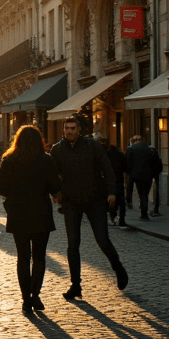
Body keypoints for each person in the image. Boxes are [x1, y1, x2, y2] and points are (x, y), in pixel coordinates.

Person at [50, 114, 129, 300]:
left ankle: (117, 267)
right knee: (72, 245)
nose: (69, 131)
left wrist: (112, 192)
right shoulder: (57, 150)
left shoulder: (92, 145)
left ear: (79, 130)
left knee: (102, 239)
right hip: (71, 202)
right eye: (66, 128)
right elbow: (51, 174)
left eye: (72, 128)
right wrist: (55, 191)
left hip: (95, 200)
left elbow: (107, 168)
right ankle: (75, 285)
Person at [0, 125, 62, 314]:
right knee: (39, 257)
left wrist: (13, 195)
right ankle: (35, 295)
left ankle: (26, 299)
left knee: (23, 257)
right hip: (40, 211)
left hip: (18, 212)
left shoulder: (9, 160)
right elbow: (55, 186)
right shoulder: (46, 160)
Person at [124, 134, 160, 220]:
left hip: (136, 175)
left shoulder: (131, 149)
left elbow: (127, 163)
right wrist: (154, 174)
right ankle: (144, 211)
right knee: (145, 193)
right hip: (148, 175)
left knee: (141, 193)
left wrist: (129, 173)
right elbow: (157, 163)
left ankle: (143, 212)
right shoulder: (151, 149)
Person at [105, 139, 128, 228]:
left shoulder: (106, 155)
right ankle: (122, 220)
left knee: (112, 201)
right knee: (122, 202)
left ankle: (113, 217)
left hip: (110, 180)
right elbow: (125, 168)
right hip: (119, 180)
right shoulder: (120, 154)